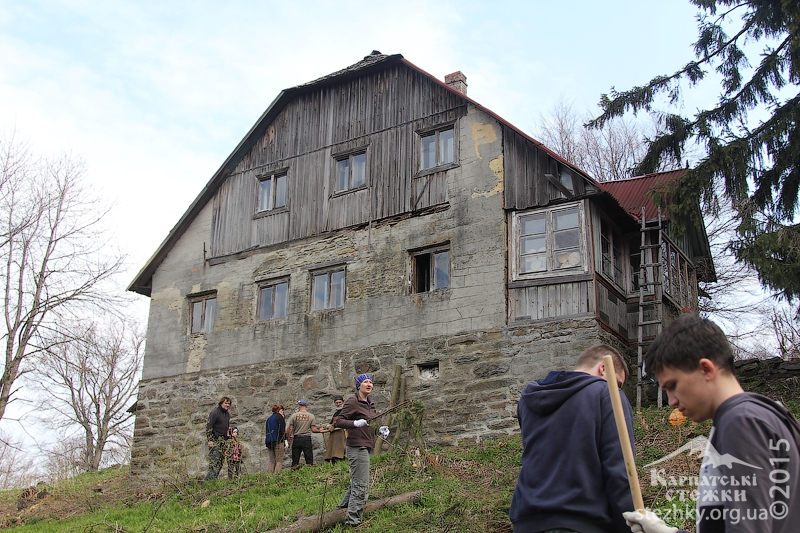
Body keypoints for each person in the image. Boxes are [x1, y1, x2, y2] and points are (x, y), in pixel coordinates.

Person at [623, 314, 800, 533]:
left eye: (672, 385)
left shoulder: (740, 424)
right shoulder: (768, 415)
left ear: (706, 369)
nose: (672, 402)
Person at [509, 344, 634, 533]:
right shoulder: (607, 394)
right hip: (582, 523)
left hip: (527, 524)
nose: (618, 389)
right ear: (603, 368)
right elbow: (621, 470)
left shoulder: (528, 399)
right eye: (618, 383)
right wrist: (630, 525)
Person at [334, 374, 378, 527]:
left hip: (366, 445)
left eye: (371, 382)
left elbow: (371, 423)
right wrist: (354, 423)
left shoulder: (370, 403)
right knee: (362, 484)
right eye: (365, 382)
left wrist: (380, 429)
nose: (369, 384)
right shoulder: (353, 401)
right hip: (356, 446)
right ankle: (352, 522)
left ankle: (342, 509)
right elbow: (339, 421)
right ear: (358, 385)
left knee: (357, 482)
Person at [285, 399, 322, 467]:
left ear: (299, 406)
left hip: (297, 438)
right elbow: (313, 429)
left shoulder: (294, 416)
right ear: (306, 406)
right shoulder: (311, 416)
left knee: (295, 458)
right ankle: (310, 470)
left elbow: (290, 428)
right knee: (309, 457)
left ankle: (294, 471)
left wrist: (288, 439)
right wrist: (320, 430)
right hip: (306, 438)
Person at [204, 396, 232, 481]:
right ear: (221, 403)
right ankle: (208, 481)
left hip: (223, 442)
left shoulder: (227, 414)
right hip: (215, 441)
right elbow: (209, 426)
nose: (227, 405)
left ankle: (213, 480)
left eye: (229, 404)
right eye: (226, 403)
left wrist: (227, 441)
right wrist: (210, 439)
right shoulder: (215, 412)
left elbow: (226, 428)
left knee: (220, 462)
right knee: (214, 462)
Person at [265, 404, 288, 473]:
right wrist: (285, 440)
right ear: (280, 410)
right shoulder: (279, 417)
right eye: (282, 411)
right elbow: (282, 430)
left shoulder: (269, 419)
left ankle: (269, 476)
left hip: (269, 441)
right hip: (278, 441)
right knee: (279, 460)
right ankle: (276, 476)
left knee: (271, 461)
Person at [324, 395, 347, 464]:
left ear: (343, 402)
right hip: (334, 435)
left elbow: (345, 422)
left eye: (340, 402)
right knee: (333, 452)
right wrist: (329, 426)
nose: (338, 404)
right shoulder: (336, 413)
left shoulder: (345, 411)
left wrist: (334, 426)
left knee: (340, 452)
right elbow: (331, 423)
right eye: (336, 403)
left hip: (342, 434)